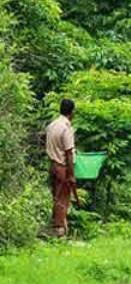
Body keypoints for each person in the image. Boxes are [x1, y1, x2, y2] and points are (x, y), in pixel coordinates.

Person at [46, 99, 76, 237]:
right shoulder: (66, 128)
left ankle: (56, 225)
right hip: (61, 167)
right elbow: (69, 153)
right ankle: (58, 230)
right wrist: (71, 174)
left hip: (52, 164)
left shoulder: (52, 125)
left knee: (56, 196)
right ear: (72, 112)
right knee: (63, 198)